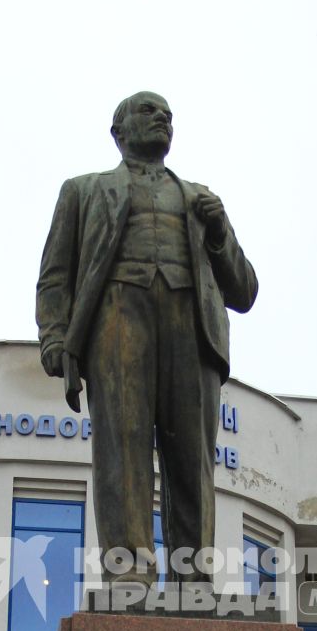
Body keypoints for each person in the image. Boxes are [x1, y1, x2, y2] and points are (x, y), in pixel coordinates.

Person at [36, 91, 258, 576]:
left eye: (168, 115)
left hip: (191, 328)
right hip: (118, 318)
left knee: (191, 457)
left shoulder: (201, 200)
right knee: (122, 444)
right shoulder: (83, 190)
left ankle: (193, 573)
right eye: (148, 111)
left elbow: (243, 291)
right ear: (118, 132)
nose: (162, 118)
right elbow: (56, 274)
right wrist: (54, 337)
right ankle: (128, 569)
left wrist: (218, 234)